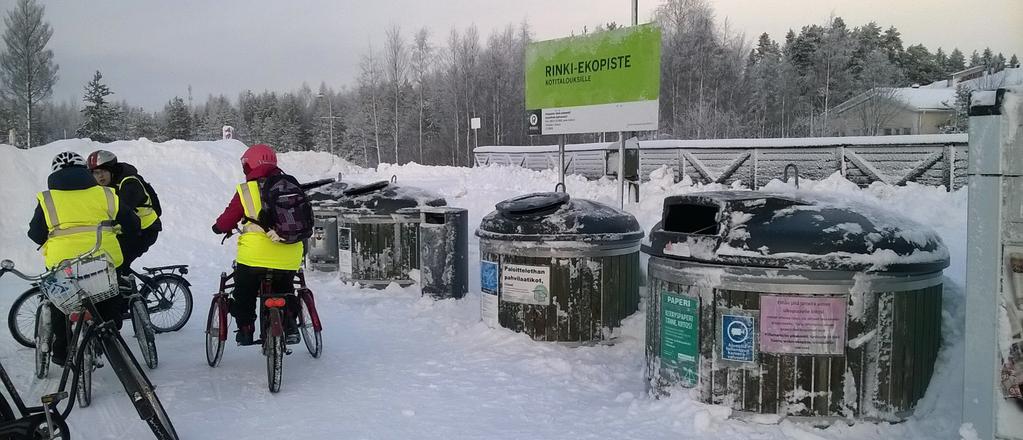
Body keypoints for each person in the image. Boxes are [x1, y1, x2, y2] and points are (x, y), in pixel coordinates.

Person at [28, 151, 141, 366]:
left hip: (62, 264)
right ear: (84, 172)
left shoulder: (48, 199)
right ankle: (106, 337)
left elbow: (35, 233)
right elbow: (132, 222)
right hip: (101, 260)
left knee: (61, 304)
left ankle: (61, 351)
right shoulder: (105, 194)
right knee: (107, 300)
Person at [212, 144, 302, 346]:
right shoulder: (292, 186)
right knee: (285, 288)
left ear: (252, 165)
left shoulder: (247, 190)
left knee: (244, 291)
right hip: (290, 252)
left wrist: (218, 228)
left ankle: (246, 328)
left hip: (254, 257)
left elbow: (226, 220)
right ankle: (289, 323)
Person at [86, 150, 162, 277]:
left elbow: (123, 212)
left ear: (112, 170)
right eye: (96, 173)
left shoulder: (129, 183)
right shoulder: (105, 187)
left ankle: (130, 294)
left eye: (104, 171)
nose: (100, 176)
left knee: (118, 264)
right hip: (128, 231)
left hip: (145, 230)